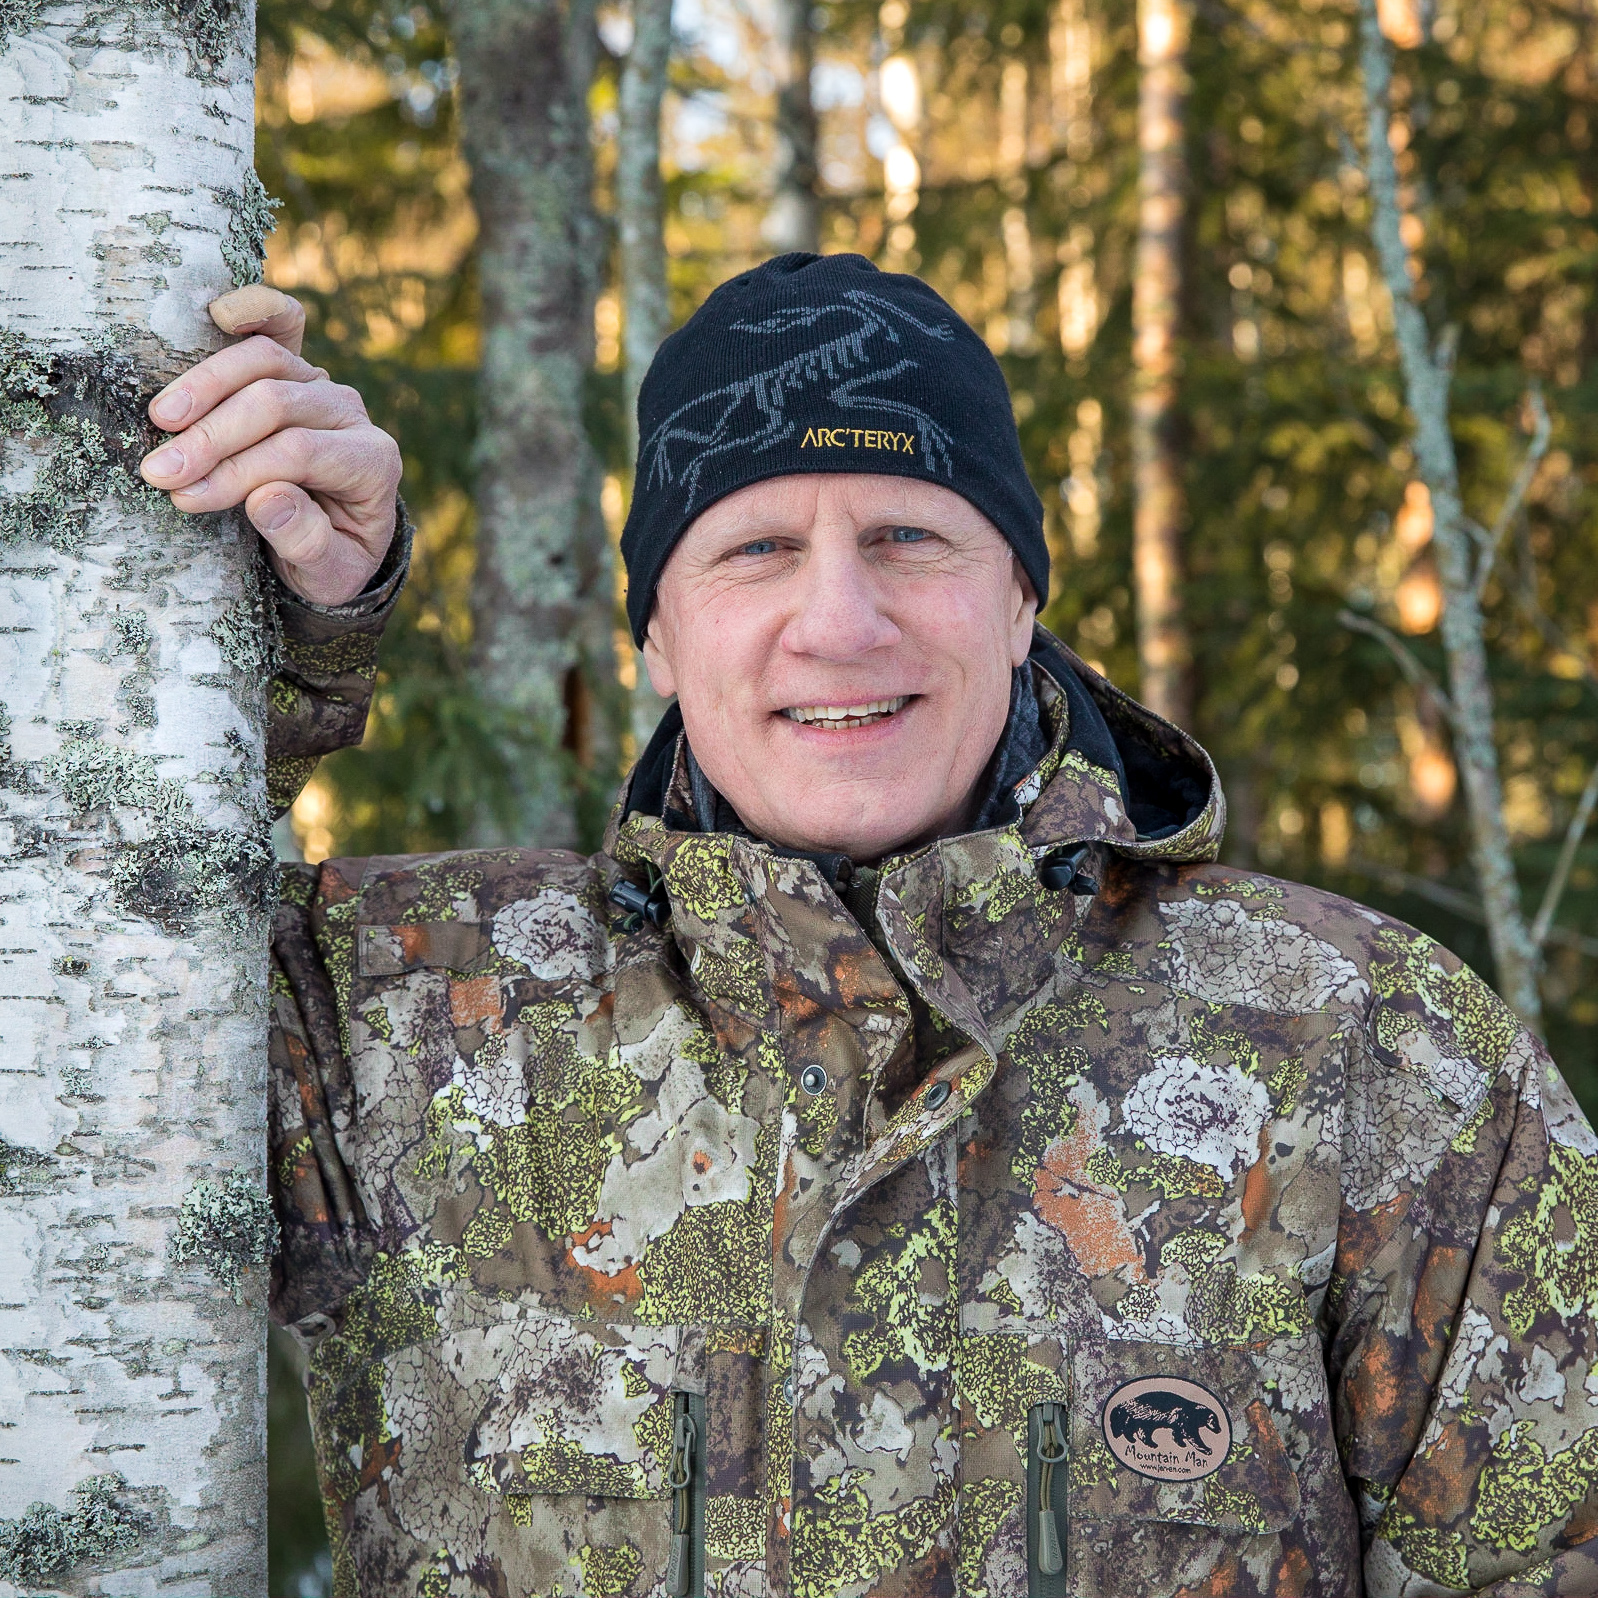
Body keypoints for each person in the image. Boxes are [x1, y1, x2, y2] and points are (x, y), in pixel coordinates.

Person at [148, 254, 1598, 1598]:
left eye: (907, 534)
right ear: (656, 626)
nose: (838, 621)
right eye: (756, 548)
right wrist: (272, 640)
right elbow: (64, 969)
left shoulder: (1363, 1046)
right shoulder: (408, 1014)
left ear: (1020, 592)